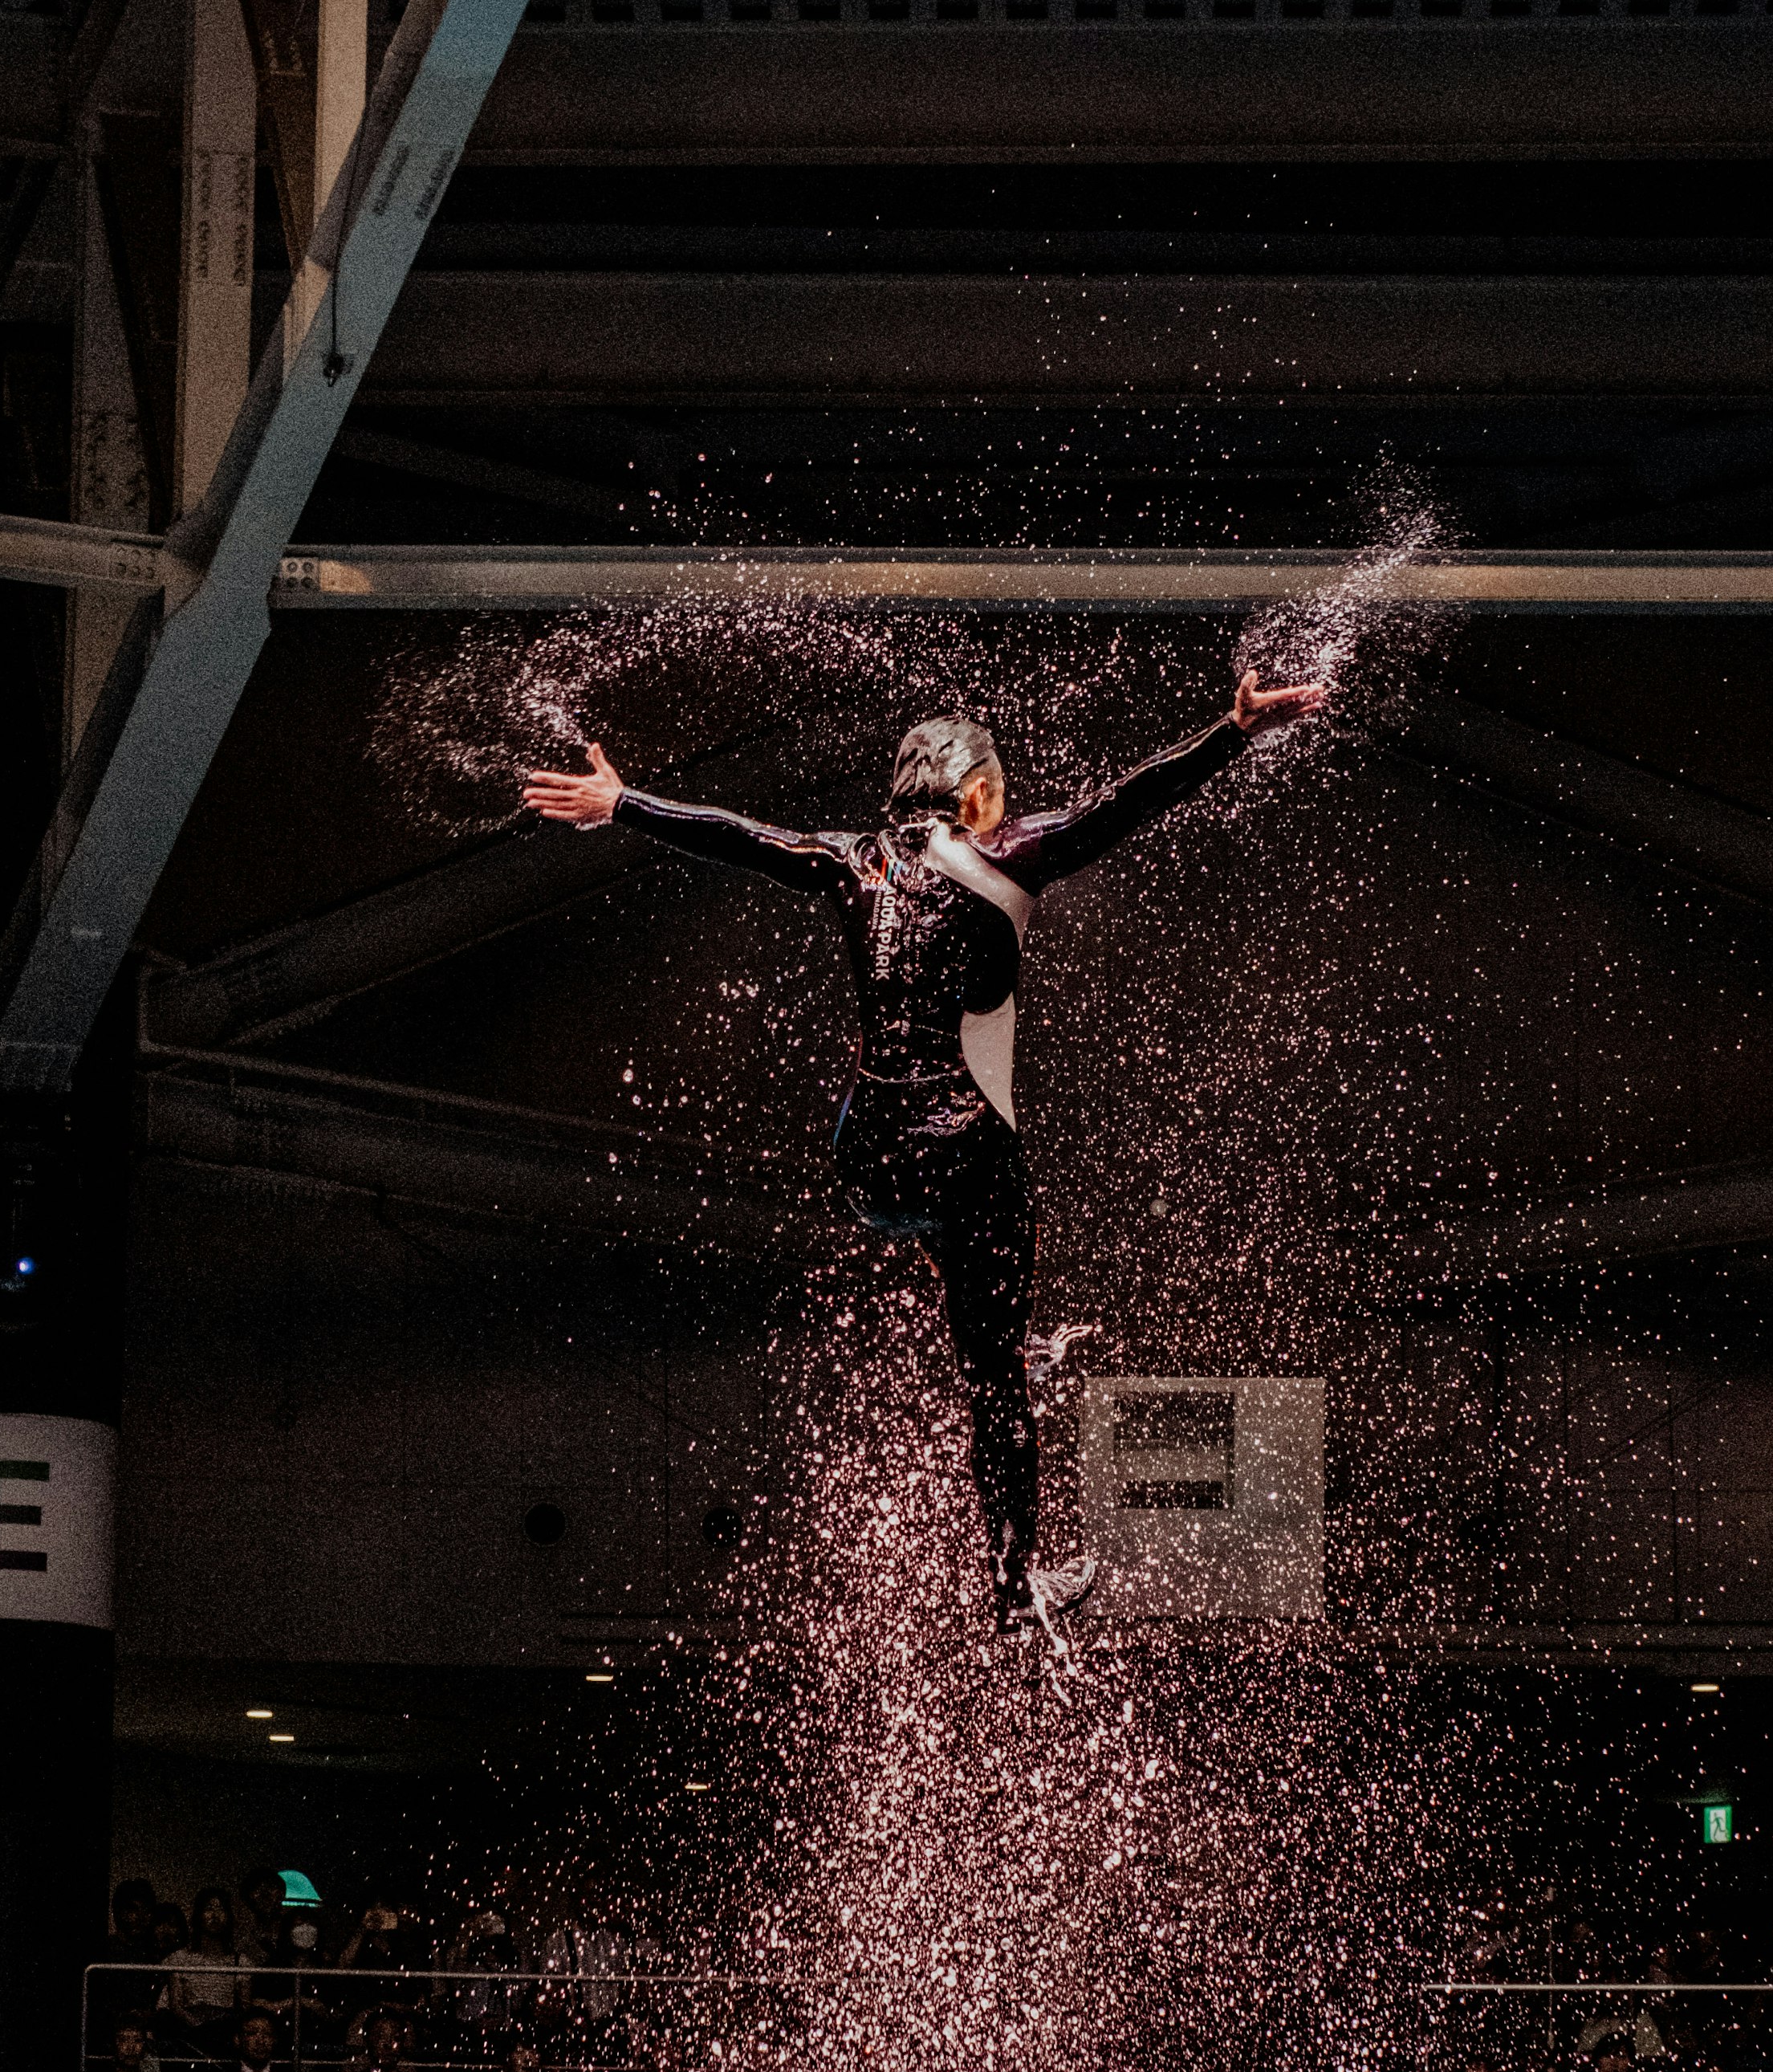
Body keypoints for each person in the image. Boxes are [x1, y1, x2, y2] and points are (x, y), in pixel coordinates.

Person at [520, 648, 1326, 1638]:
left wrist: (626, 802)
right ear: (979, 794)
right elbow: (1120, 807)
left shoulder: (848, 859)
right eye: (1002, 792)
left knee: (964, 1262)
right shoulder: (1009, 851)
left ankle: (1000, 1325)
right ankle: (1012, 1591)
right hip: (967, 1154)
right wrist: (1232, 731)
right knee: (993, 1373)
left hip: (866, 1162)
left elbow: (739, 835)